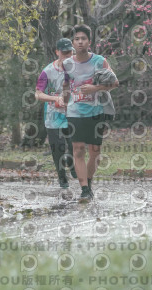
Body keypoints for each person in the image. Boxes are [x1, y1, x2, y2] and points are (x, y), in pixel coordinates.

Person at [62, 24, 119, 200]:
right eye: (77, 39)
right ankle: (85, 190)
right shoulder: (67, 63)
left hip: (96, 111)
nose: (80, 42)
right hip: (74, 112)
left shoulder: (99, 61)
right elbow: (66, 85)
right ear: (73, 43)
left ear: (89, 42)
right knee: (78, 149)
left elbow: (115, 83)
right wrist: (63, 105)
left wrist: (95, 88)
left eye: (83, 39)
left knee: (95, 152)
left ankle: (88, 180)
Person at [35, 38, 78, 189]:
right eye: (65, 53)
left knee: (74, 144)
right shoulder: (47, 72)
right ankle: (62, 177)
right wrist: (54, 99)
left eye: (70, 53)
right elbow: (38, 94)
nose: (68, 56)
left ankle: (72, 164)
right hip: (53, 116)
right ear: (57, 52)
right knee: (58, 148)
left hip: (72, 113)